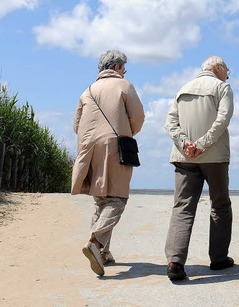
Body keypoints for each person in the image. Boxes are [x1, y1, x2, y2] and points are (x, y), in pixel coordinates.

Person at [71, 49, 145, 276]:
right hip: (115, 148)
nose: (124, 72)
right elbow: (139, 117)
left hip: (89, 150)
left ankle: (103, 253)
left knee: (101, 200)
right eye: (123, 67)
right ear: (115, 67)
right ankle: (95, 240)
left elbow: (76, 125)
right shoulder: (125, 86)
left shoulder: (88, 90)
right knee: (118, 199)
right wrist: (126, 131)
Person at [164, 55, 234, 281]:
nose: (228, 75)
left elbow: (170, 123)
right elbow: (223, 120)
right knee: (220, 206)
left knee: (182, 207)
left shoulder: (182, 88)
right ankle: (218, 258)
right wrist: (202, 145)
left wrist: (185, 144)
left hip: (184, 156)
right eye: (227, 70)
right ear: (217, 68)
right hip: (214, 157)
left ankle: (175, 261)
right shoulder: (222, 88)